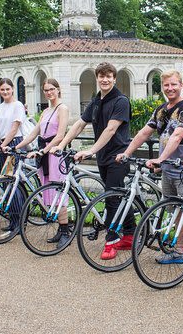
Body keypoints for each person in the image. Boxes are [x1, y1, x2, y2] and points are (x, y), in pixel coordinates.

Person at [115, 69, 183, 274]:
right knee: (176, 210)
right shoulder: (161, 109)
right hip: (169, 169)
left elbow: (177, 136)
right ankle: (180, 252)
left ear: (181, 85)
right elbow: (144, 132)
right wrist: (126, 152)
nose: (170, 88)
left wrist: (159, 158)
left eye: (174, 84)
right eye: (166, 85)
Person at [48, 62, 132, 261]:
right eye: (101, 76)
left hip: (118, 156)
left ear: (114, 78)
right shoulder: (96, 101)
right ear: (97, 78)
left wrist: (91, 150)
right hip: (104, 157)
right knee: (116, 196)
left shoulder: (121, 100)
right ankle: (129, 235)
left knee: (112, 199)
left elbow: (111, 130)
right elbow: (79, 124)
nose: (105, 79)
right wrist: (62, 144)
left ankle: (111, 242)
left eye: (108, 76)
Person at [16, 79, 70, 247]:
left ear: (58, 90)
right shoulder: (46, 110)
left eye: (52, 89)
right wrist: (16, 146)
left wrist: (44, 151)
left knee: (58, 191)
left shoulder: (63, 108)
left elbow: (60, 135)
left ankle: (66, 231)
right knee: (49, 190)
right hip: (45, 152)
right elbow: (34, 132)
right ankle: (61, 229)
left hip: (55, 153)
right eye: (46, 90)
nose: (49, 92)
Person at [0, 78, 27, 235]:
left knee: (12, 182)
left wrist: (3, 147)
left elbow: (14, 128)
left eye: (8, 89)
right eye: (2, 89)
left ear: (13, 89)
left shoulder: (18, 106)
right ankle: (13, 219)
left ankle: (19, 221)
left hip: (13, 143)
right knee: (5, 182)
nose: (5, 92)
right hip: (2, 144)